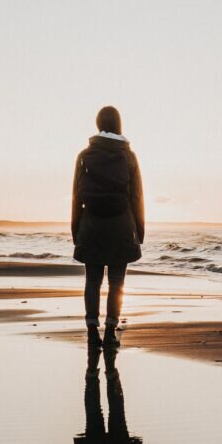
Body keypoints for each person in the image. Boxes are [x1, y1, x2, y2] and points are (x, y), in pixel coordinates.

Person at [71, 106, 145, 347]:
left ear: (98, 125)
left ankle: (92, 332)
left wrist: (76, 230)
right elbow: (137, 197)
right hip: (121, 226)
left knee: (92, 281)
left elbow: (76, 197)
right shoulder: (129, 156)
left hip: (91, 225)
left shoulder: (84, 155)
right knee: (117, 281)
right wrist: (139, 231)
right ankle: (111, 331)